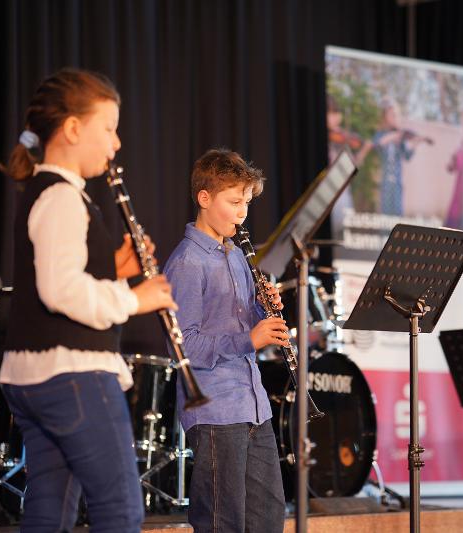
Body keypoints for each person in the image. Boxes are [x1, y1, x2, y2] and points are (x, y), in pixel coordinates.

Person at [0, 68, 176, 532]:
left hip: (35, 376)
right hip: (72, 376)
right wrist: (137, 297)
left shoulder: (48, 192)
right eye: (109, 129)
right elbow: (61, 292)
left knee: (49, 515)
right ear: (74, 128)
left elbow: (56, 277)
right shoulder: (61, 197)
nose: (116, 144)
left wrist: (116, 270)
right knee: (120, 510)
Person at [163, 148, 288, 533]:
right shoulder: (187, 262)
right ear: (204, 198)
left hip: (254, 405)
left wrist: (263, 312)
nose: (242, 212)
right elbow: (184, 347)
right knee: (222, 523)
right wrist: (249, 339)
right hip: (216, 411)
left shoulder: (235, 255)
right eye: (234, 202)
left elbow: (239, 320)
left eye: (246, 202)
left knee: (268, 518)